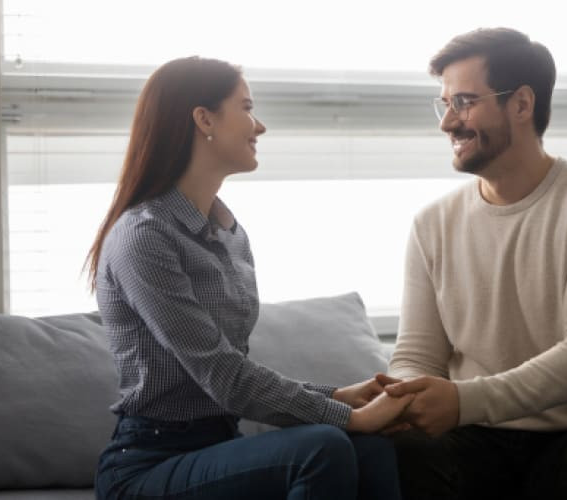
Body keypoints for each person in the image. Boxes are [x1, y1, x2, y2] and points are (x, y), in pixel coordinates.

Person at [86, 56, 412, 500]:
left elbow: (232, 366)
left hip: (220, 445)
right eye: (247, 108)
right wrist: (347, 416)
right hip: (148, 463)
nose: (259, 126)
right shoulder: (145, 237)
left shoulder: (229, 233)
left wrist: (339, 396)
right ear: (204, 119)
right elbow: (221, 373)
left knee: (371, 447)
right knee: (324, 447)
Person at [381, 28, 567, 500]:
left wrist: (463, 400)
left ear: (522, 104)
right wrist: (409, 397)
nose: (448, 122)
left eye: (465, 102)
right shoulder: (432, 223)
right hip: (473, 440)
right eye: (445, 103)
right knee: (400, 450)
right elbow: (416, 357)